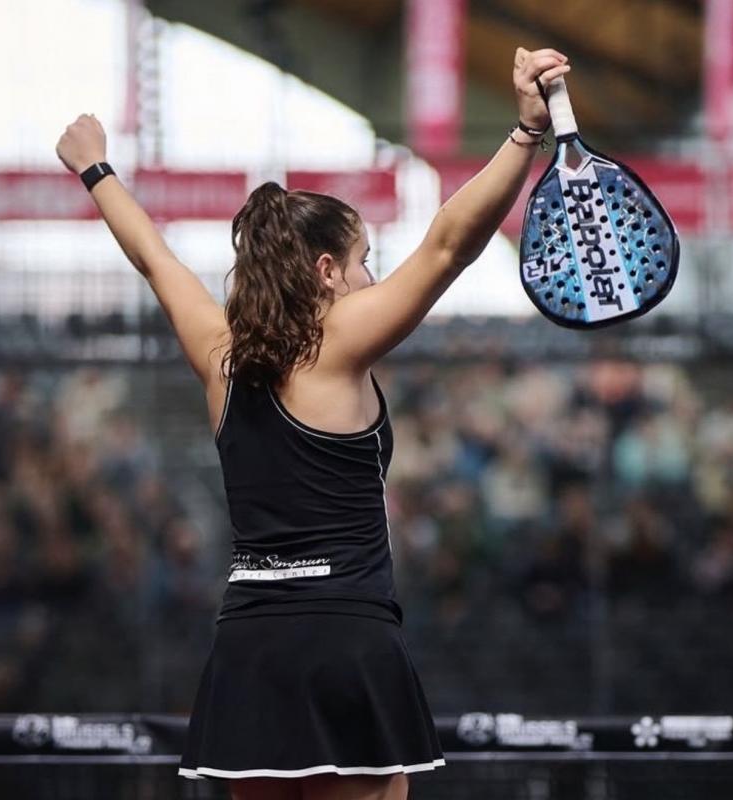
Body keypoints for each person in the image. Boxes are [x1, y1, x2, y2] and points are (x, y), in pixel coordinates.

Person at [56, 47, 570, 800]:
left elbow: (154, 258)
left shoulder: (219, 357)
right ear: (326, 272)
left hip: (250, 646)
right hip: (343, 640)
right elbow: (452, 242)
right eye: (363, 260)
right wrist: (526, 134)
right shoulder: (337, 343)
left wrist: (95, 170)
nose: (371, 277)